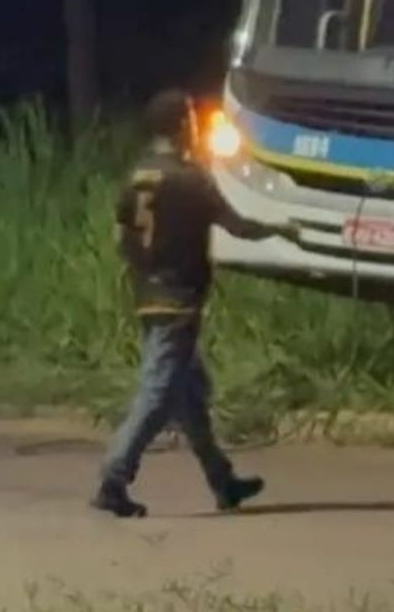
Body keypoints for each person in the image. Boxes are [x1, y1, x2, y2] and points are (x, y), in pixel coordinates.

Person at [92, 89, 295, 519]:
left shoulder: (138, 175)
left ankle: (223, 481)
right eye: (192, 119)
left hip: (147, 295)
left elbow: (120, 236)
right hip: (179, 300)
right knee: (158, 393)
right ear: (183, 125)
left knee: (191, 398)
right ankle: (114, 477)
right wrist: (282, 229)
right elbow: (235, 224)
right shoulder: (190, 179)